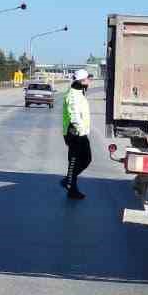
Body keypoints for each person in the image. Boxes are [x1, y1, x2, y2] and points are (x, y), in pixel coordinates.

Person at [61, 68, 93, 200]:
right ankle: (69, 183)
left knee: (82, 160)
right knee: (78, 160)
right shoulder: (73, 95)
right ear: (81, 81)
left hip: (79, 132)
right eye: (87, 79)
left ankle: (71, 187)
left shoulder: (79, 93)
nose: (89, 81)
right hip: (75, 133)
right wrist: (80, 130)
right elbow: (73, 115)